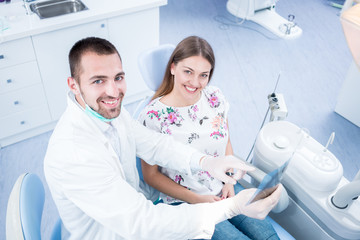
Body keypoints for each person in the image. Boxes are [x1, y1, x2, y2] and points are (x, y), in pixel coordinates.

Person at [44, 36, 283, 240]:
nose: (113, 91)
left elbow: (156, 145)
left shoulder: (109, 113)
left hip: (141, 214)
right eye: (98, 81)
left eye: (118, 77)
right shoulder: (74, 153)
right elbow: (144, 223)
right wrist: (230, 207)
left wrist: (207, 162)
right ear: (73, 85)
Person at [138, 36, 280, 240]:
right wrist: (196, 199)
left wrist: (229, 182)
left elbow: (226, 141)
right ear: (172, 68)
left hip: (225, 188)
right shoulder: (152, 116)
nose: (195, 82)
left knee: (268, 237)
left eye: (203, 75)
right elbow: (151, 176)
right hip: (186, 201)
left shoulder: (215, 98)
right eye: (188, 72)